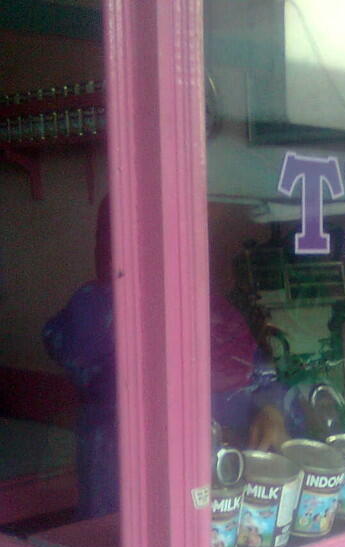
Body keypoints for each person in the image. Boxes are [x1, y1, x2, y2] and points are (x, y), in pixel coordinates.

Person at [43, 196, 292, 519]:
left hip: (222, 477)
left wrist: (270, 410)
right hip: (132, 474)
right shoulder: (97, 306)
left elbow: (263, 375)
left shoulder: (214, 307)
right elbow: (78, 359)